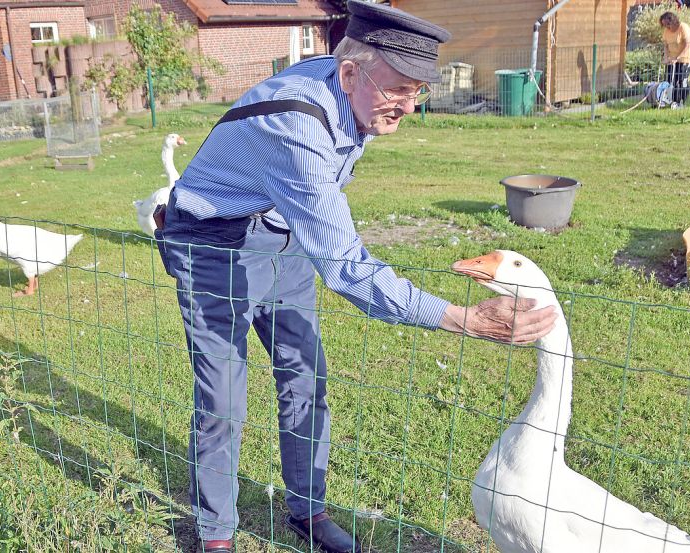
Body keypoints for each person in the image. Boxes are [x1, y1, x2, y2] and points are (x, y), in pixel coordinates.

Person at [155, 2, 558, 552]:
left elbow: (322, 211)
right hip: (211, 242)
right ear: (348, 72)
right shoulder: (298, 127)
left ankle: (309, 512)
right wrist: (463, 319)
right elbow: (346, 266)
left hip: (280, 231)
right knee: (224, 398)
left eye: (418, 91)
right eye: (400, 90)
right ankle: (217, 535)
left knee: (305, 378)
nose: (409, 107)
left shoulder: (353, 89)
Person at [659, 12, 690, 107]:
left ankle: (682, 102)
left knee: (681, 80)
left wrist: (678, 58)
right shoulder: (666, 31)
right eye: (664, 25)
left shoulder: (683, 27)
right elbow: (666, 46)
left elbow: (688, 45)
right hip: (673, 59)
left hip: (686, 58)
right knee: (670, 80)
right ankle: (674, 101)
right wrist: (666, 58)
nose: (667, 27)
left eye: (668, 24)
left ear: (673, 21)